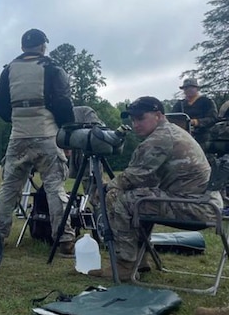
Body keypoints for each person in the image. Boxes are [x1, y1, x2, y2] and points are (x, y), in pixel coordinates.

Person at [94, 96, 223, 282]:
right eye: (133, 120)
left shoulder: (160, 138)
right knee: (140, 197)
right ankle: (140, 260)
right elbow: (145, 179)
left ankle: (125, 264)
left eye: (140, 118)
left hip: (196, 208)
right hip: (203, 203)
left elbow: (134, 176)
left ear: (158, 115)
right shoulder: (170, 131)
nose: (135, 124)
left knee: (118, 198)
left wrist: (106, 188)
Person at [0, 28, 76, 256]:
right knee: (54, 187)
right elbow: (63, 104)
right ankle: (64, 239)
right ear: (42, 46)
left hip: (18, 136)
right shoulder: (52, 68)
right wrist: (66, 135)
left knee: (9, 187)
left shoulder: (8, 70)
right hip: (47, 134)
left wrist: (18, 118)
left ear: (22, 47)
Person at [171, 78, 218, 150]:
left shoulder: (207, 102)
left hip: (203, 136)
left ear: (197, 89)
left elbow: (213, 118)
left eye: (191, 87)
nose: (188, 90)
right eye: (186, 88)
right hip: (183, 136)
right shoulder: (179, 104)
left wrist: (196, 122)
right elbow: (172, 119)